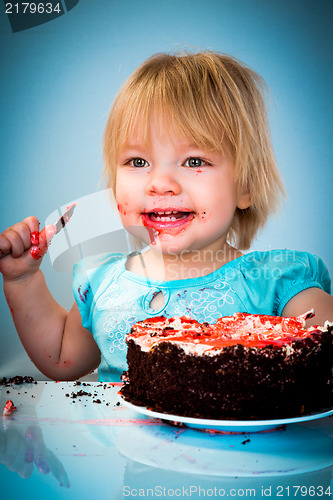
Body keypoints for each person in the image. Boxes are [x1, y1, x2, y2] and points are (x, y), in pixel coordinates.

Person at [1, 51, 332, 382]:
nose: (160, 184)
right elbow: (60, 358)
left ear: (245, 186)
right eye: (138, 162)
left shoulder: (274, 283)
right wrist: (23, 281)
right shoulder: (105, 284)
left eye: (194, 161)